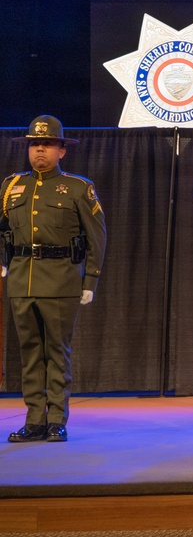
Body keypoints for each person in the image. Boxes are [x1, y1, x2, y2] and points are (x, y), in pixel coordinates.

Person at [1, 115, 107, 443]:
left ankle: (57, 419)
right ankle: (34, 419)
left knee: (57, 352)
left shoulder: (77, 188)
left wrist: (89, 281)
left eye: (47, 144)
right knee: (30, 352)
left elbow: (97, 237)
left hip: (61, 280)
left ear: (62, 150)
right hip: (21, 279)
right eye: (34, 144)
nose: (40, 150)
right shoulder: (11, 186)